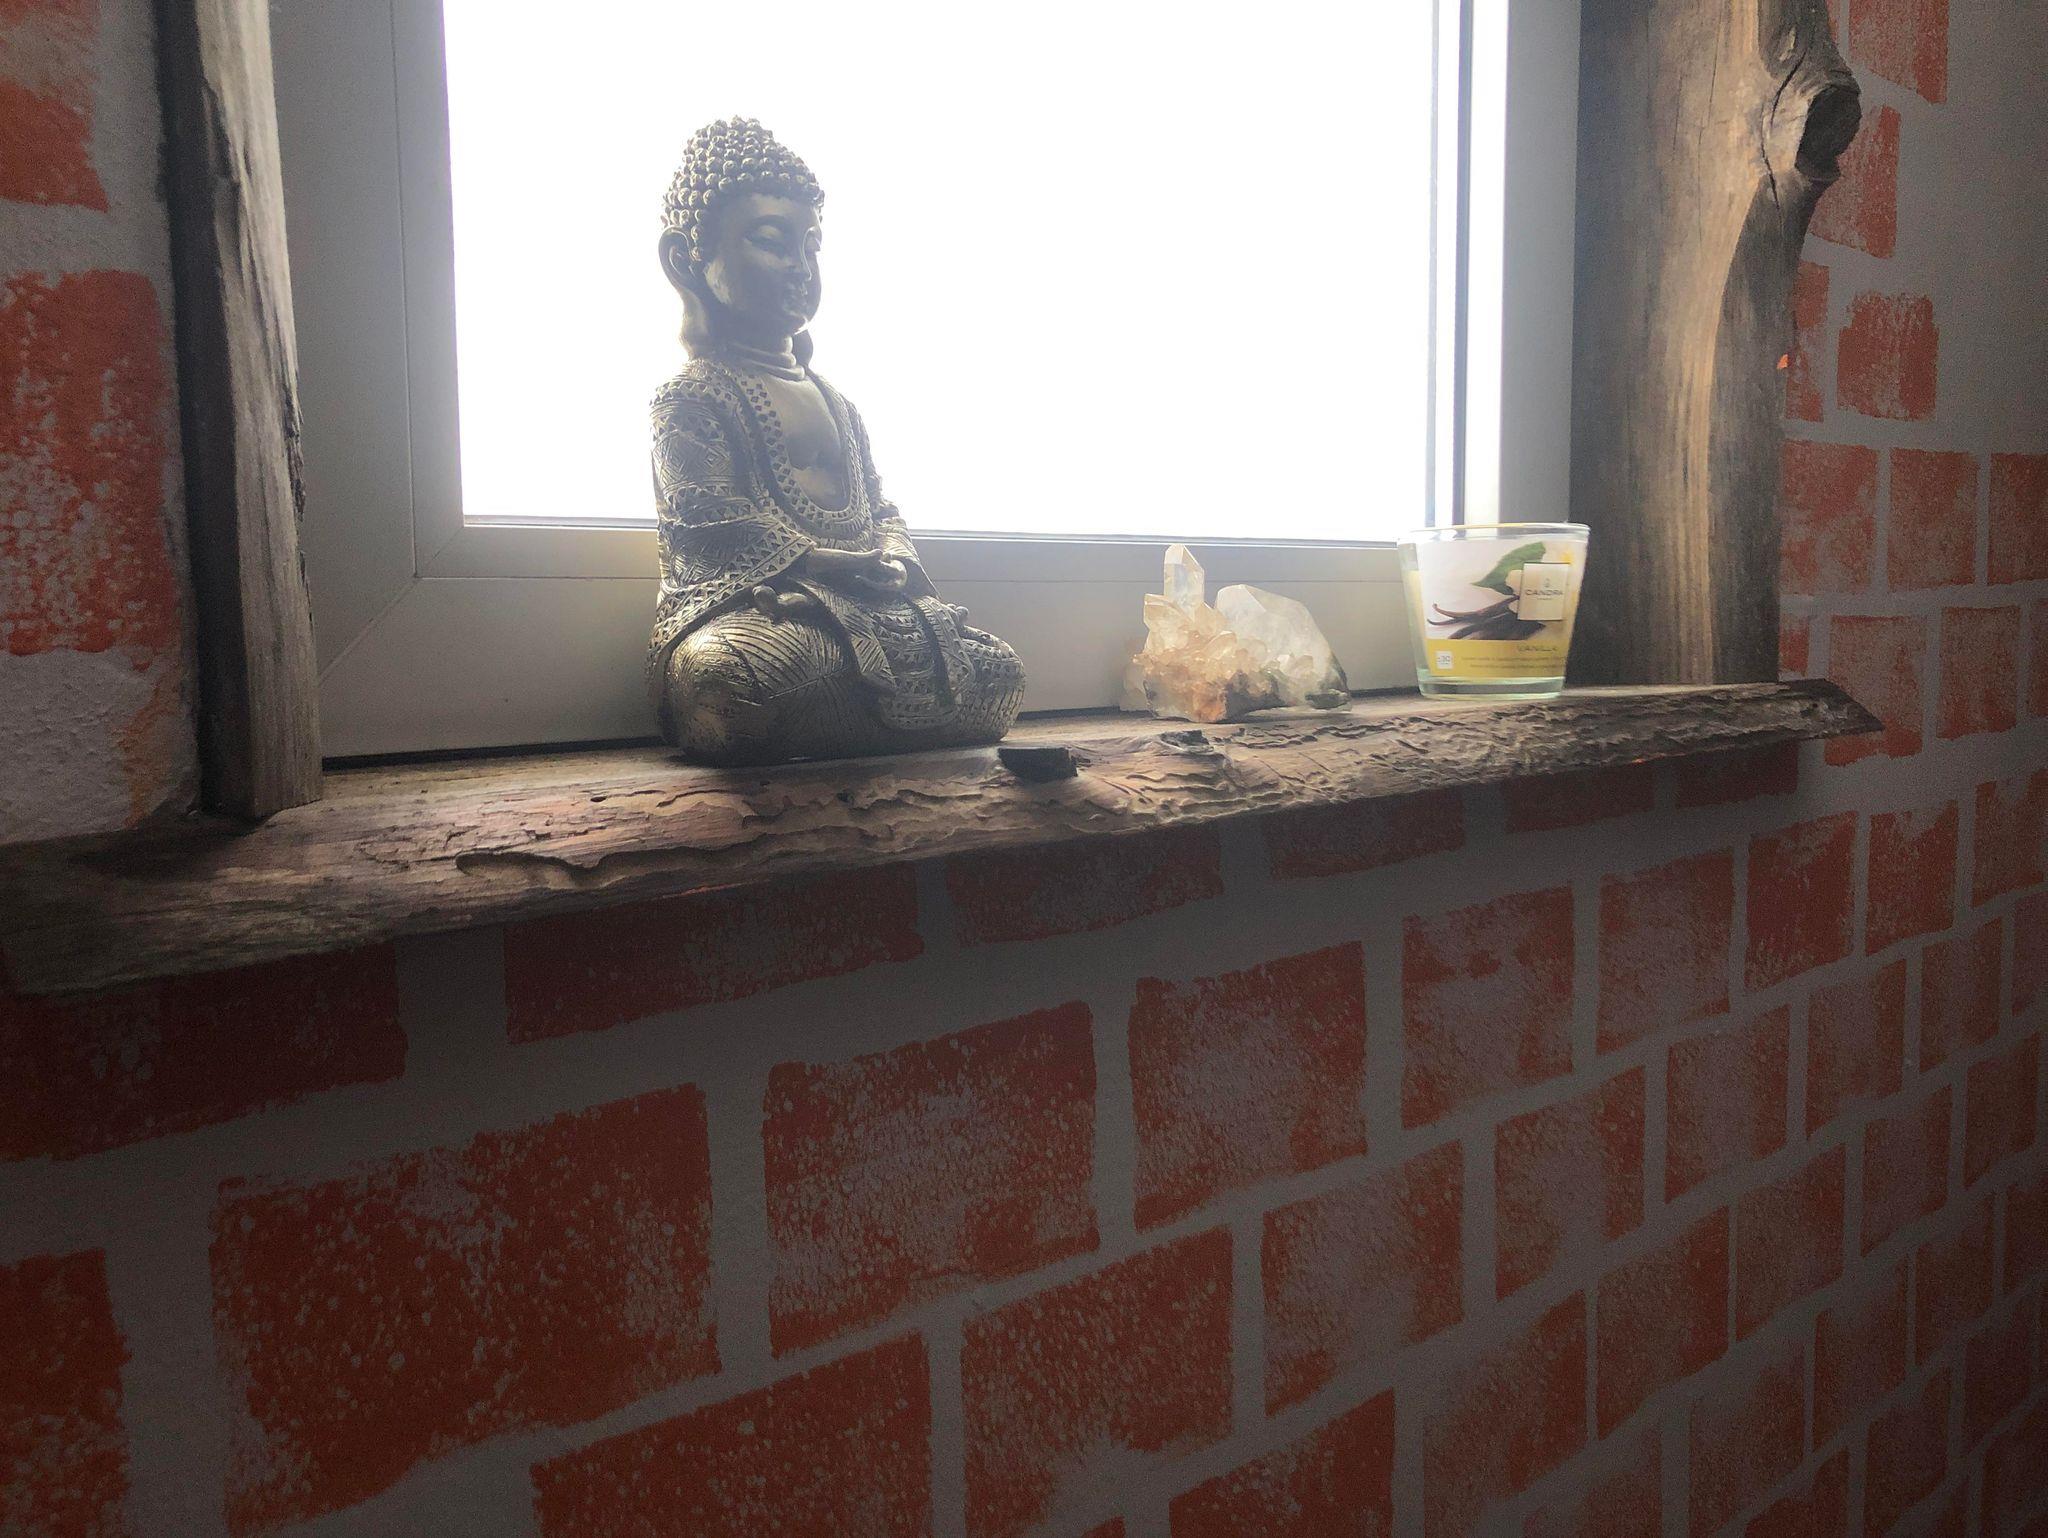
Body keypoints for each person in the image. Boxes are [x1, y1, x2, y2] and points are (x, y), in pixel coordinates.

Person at [645, 118, 1024, 764]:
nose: (800, 268)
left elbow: (879, 508)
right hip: (767, 613)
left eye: (812, 246)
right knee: (727, 682)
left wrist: (891, 555)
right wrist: (820, 562)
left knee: (1000, 670)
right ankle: (870, 721)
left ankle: (846, 718)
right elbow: (707, 524)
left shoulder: (838, 403)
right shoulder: (692, 396)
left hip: (863, 608)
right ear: (687, 260)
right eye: (772, 242)